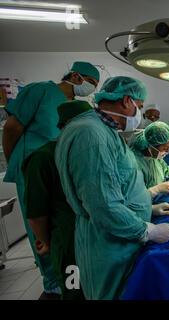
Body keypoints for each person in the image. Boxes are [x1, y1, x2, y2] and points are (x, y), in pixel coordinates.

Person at [55, 76, 169, 300]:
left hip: (119, 238)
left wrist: (147, 206)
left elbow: (117, 187)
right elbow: (103, 205)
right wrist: (147, 230)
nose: (140, 115)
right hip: (109, 245)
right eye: (140, 107)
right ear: (126, 101)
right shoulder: (92, 135)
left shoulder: (103, 130)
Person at [1, 61, 99, 297]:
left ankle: (71, 276)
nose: (91, 89)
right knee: (40, 224)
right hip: (36, 167)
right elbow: (12, 129)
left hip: (60, 170)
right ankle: (52, 282)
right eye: (91, 83)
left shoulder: (75, 105)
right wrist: (19, 164)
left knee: (62, 225)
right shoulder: (40, 90)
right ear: (75, 76)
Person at [22, 100, 93, 300]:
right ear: (70, 123)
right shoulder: (41, 159)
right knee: (75, 292)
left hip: (93, 237)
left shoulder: (86, 151)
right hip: (68, 244)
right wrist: (49, 241)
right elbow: (36, 214)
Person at [129, 121, 169, 195]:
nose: (167, 151)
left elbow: (165, 169)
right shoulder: (134, 165)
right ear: (151, 145)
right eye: (165, 148)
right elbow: (134, 197)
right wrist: (155, 190)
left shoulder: (154, 157)